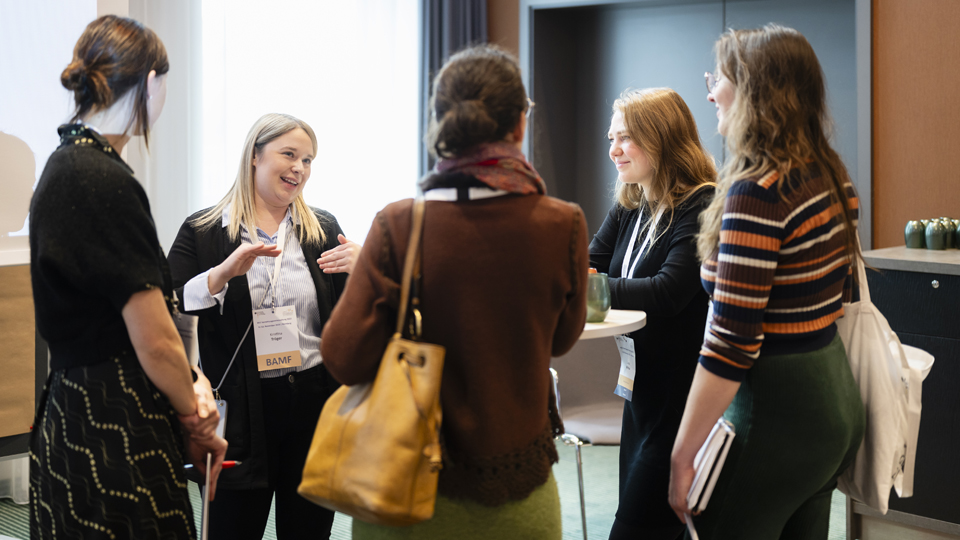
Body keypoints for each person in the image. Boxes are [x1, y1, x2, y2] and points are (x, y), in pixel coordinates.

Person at [320, 45, 588, 540]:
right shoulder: (562, 223)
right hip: (518, 490)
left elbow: (342, 357)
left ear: (440, 125)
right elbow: (562, 340)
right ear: (519, 127)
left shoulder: (399, 225)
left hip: (402, 490)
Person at [29, 15, 227, 540]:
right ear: (152, 82)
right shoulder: (99, 178)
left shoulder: (66, 165)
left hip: (77, 415)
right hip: (111, 425)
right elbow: (155, 338)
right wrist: (197, 417)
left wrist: (194, 384)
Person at [668, 24, 866, 539]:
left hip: (774, 417)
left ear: (756, 91)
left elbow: (732, 343)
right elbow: (838, 297)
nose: (710, 92)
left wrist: (682, 453)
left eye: (722, 78)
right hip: (833, 404)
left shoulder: (759, 193)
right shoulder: (829, 172)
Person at [167, 112, 360, 540]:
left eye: (308, 160)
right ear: (255, 156)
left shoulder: (322, 229)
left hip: (313, 402)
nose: (299, 168)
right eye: (289, 154)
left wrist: (366, 268)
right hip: (239, 407)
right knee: (233, 529)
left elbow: (358, 316)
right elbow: (169, 303)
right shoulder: (203, 231)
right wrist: (222, 274)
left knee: (309, 531)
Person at [589, 88, 716, 540]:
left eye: (626, 138)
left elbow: (668, 292)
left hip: (684, 398)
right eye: (611, 138)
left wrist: (592, 289)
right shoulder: (632, 205)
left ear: (661, 138)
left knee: (635, 528)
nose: (614, 150)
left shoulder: (701, 204)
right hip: (641, 393)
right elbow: (588, 264)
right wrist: (587, 280)